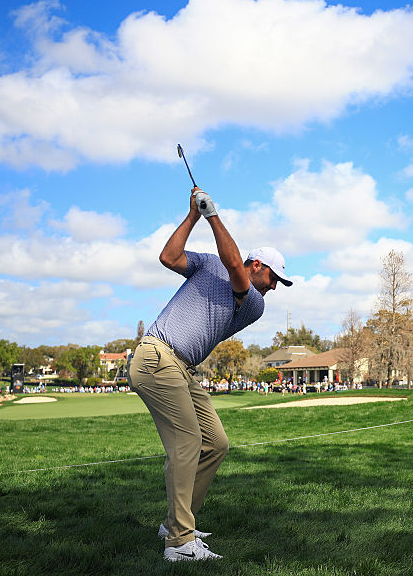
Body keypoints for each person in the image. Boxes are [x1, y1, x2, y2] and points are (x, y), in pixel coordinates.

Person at [129, 187, 293, 561]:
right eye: (274, 279)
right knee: (187, 444)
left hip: (181, 367)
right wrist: (193, 216)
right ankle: (180, 542)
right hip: (157, 356)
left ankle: (176, 522)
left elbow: (234, 267)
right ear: (258, 265)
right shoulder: (212, 263)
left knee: (215, 443)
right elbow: (168, 257)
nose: (274, 288)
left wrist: (212, 215)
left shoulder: (253, 303)